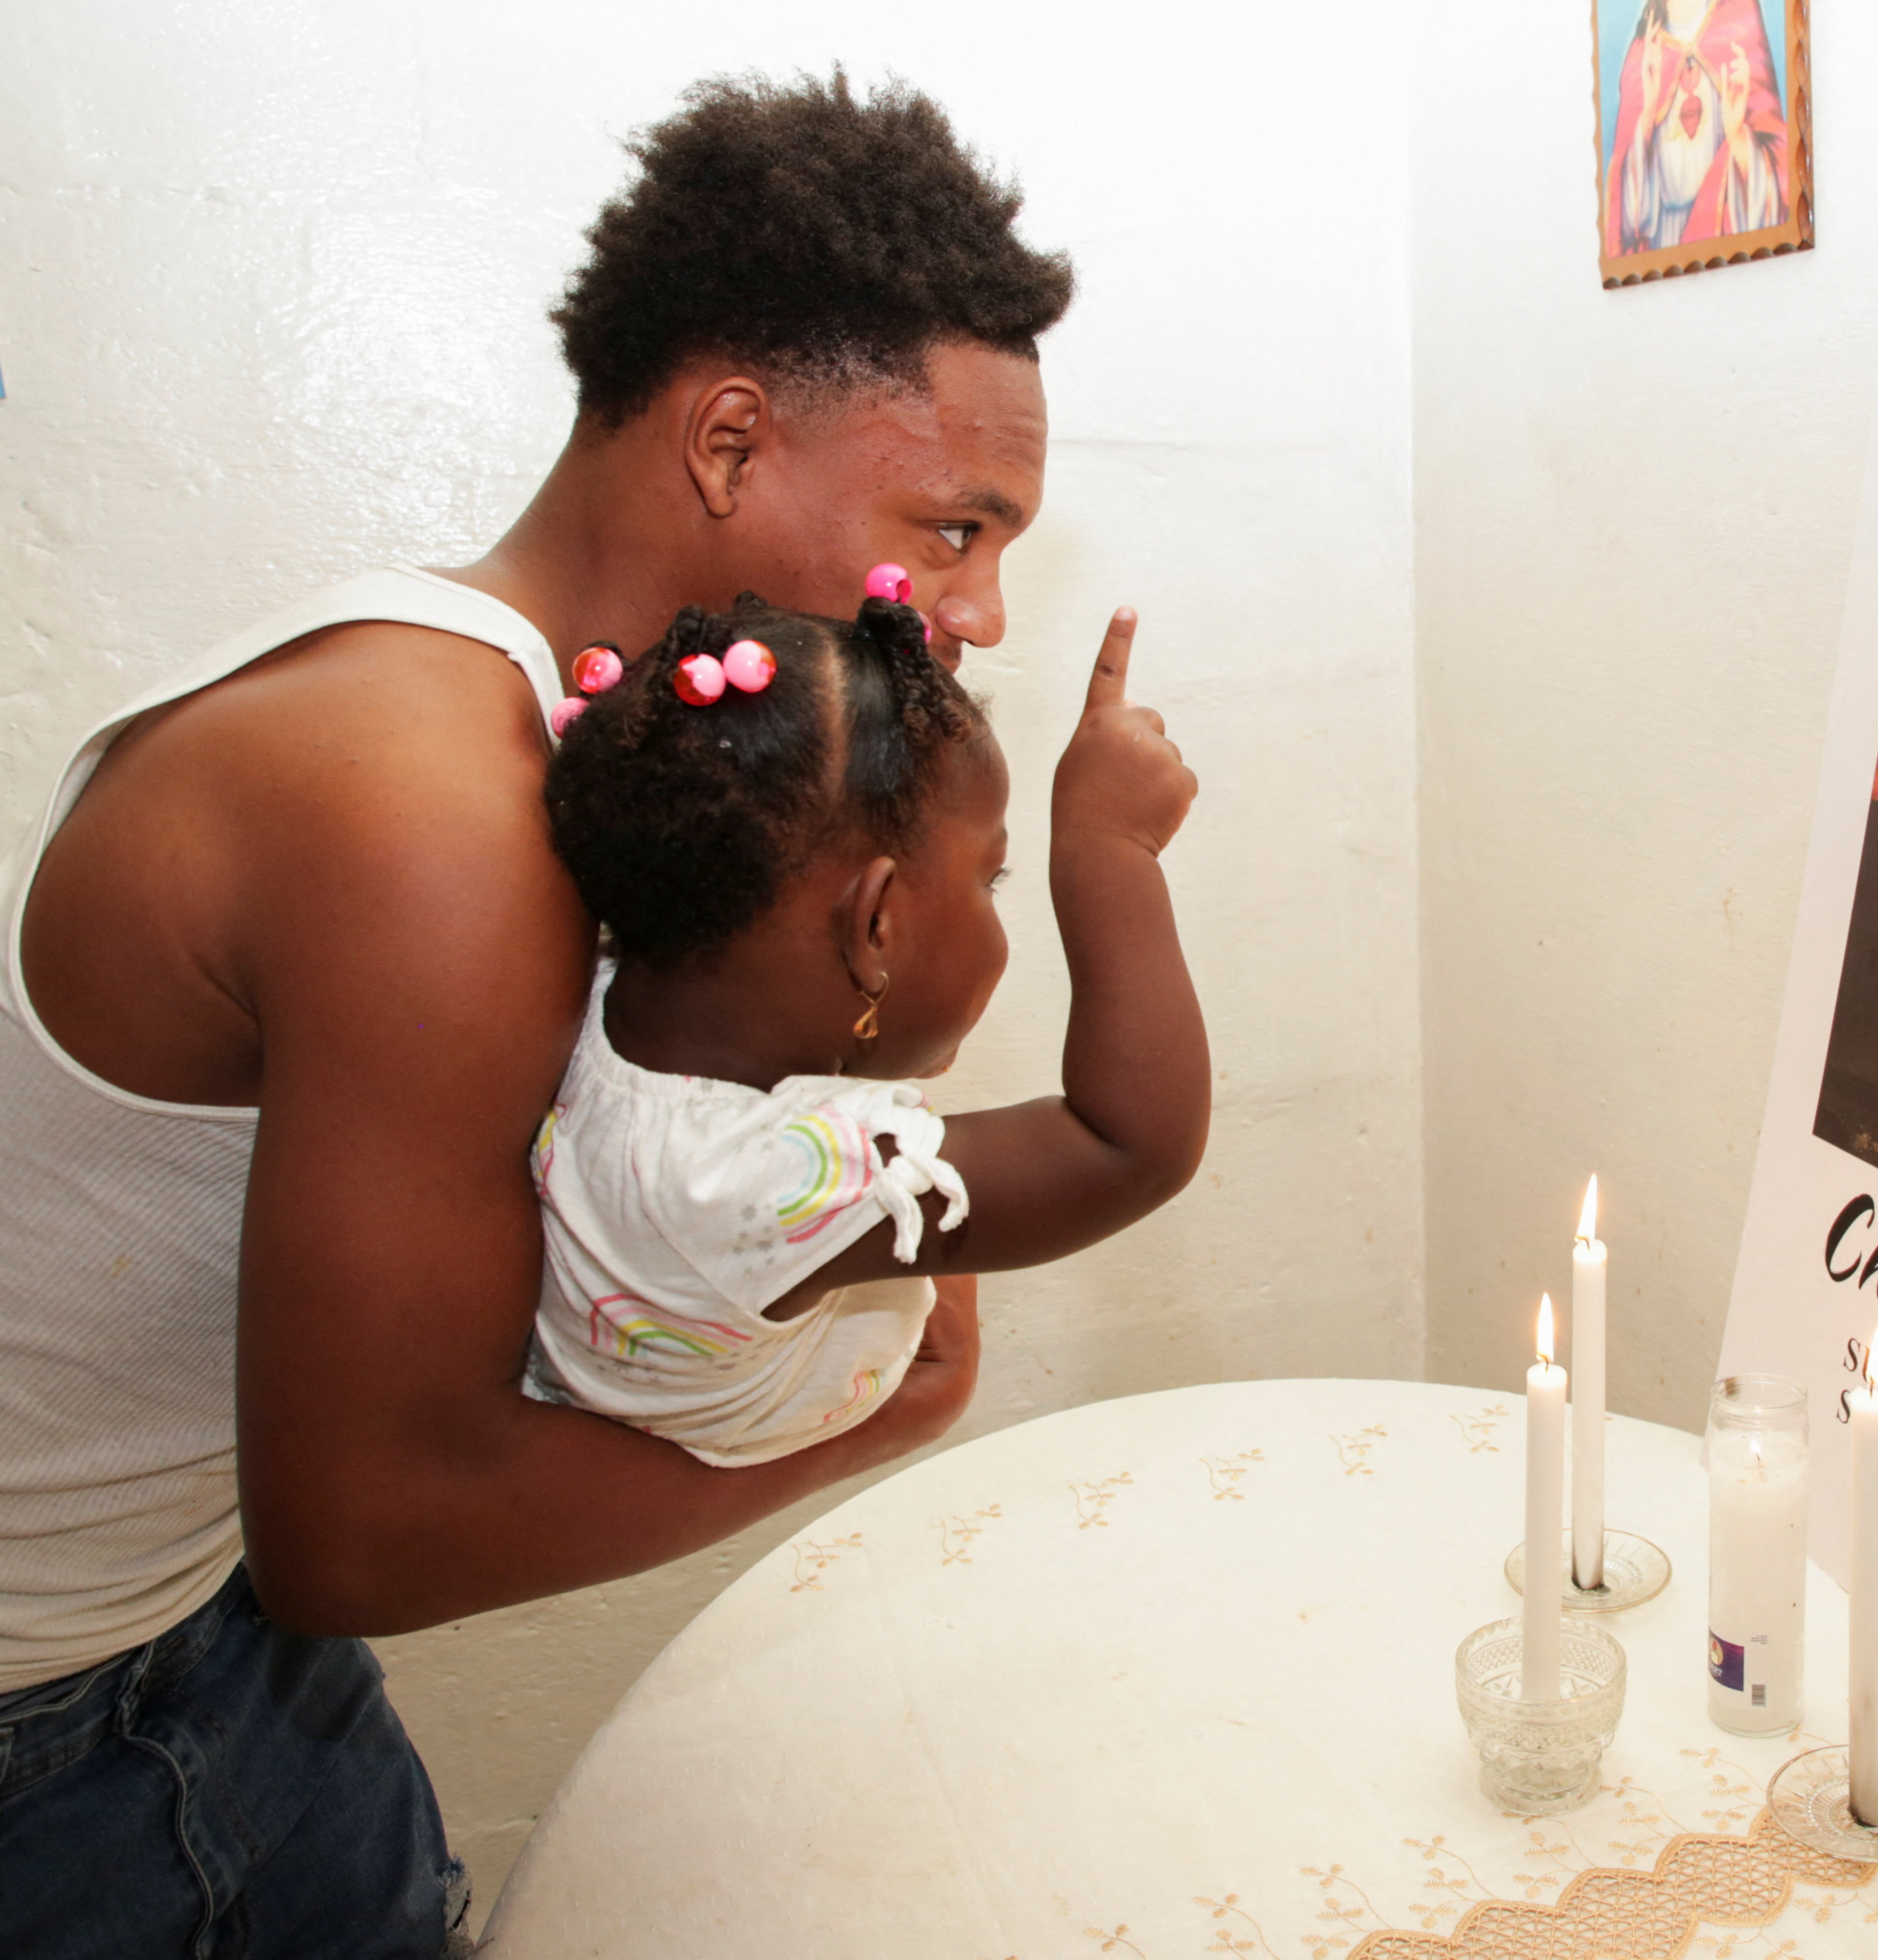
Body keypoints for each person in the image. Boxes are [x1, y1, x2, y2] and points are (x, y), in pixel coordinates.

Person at [0, 74, 1123, 1955]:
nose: (981, 607)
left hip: (196, 1627)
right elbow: (361, 1527)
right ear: (730, 441)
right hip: (62, 1724)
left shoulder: (564, 728)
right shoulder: (427, 811)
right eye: (954, 526)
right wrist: (878, 1414)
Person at [530, 594, 1199, 1467]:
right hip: (775, 1418)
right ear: (876, 927)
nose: (995, 905)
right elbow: (1129, 1148)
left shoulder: (605, 999)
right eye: (990, 878)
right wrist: (1112, 847)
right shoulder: (765, 1178)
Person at [1603, 0, 1792, 255]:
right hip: (1662, 251)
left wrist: (1737, 136)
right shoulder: (1643, 47)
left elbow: (1780, 173)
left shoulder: (1740, 17)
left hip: (1721, 234)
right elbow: (1623, 221)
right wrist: (1648, 115)